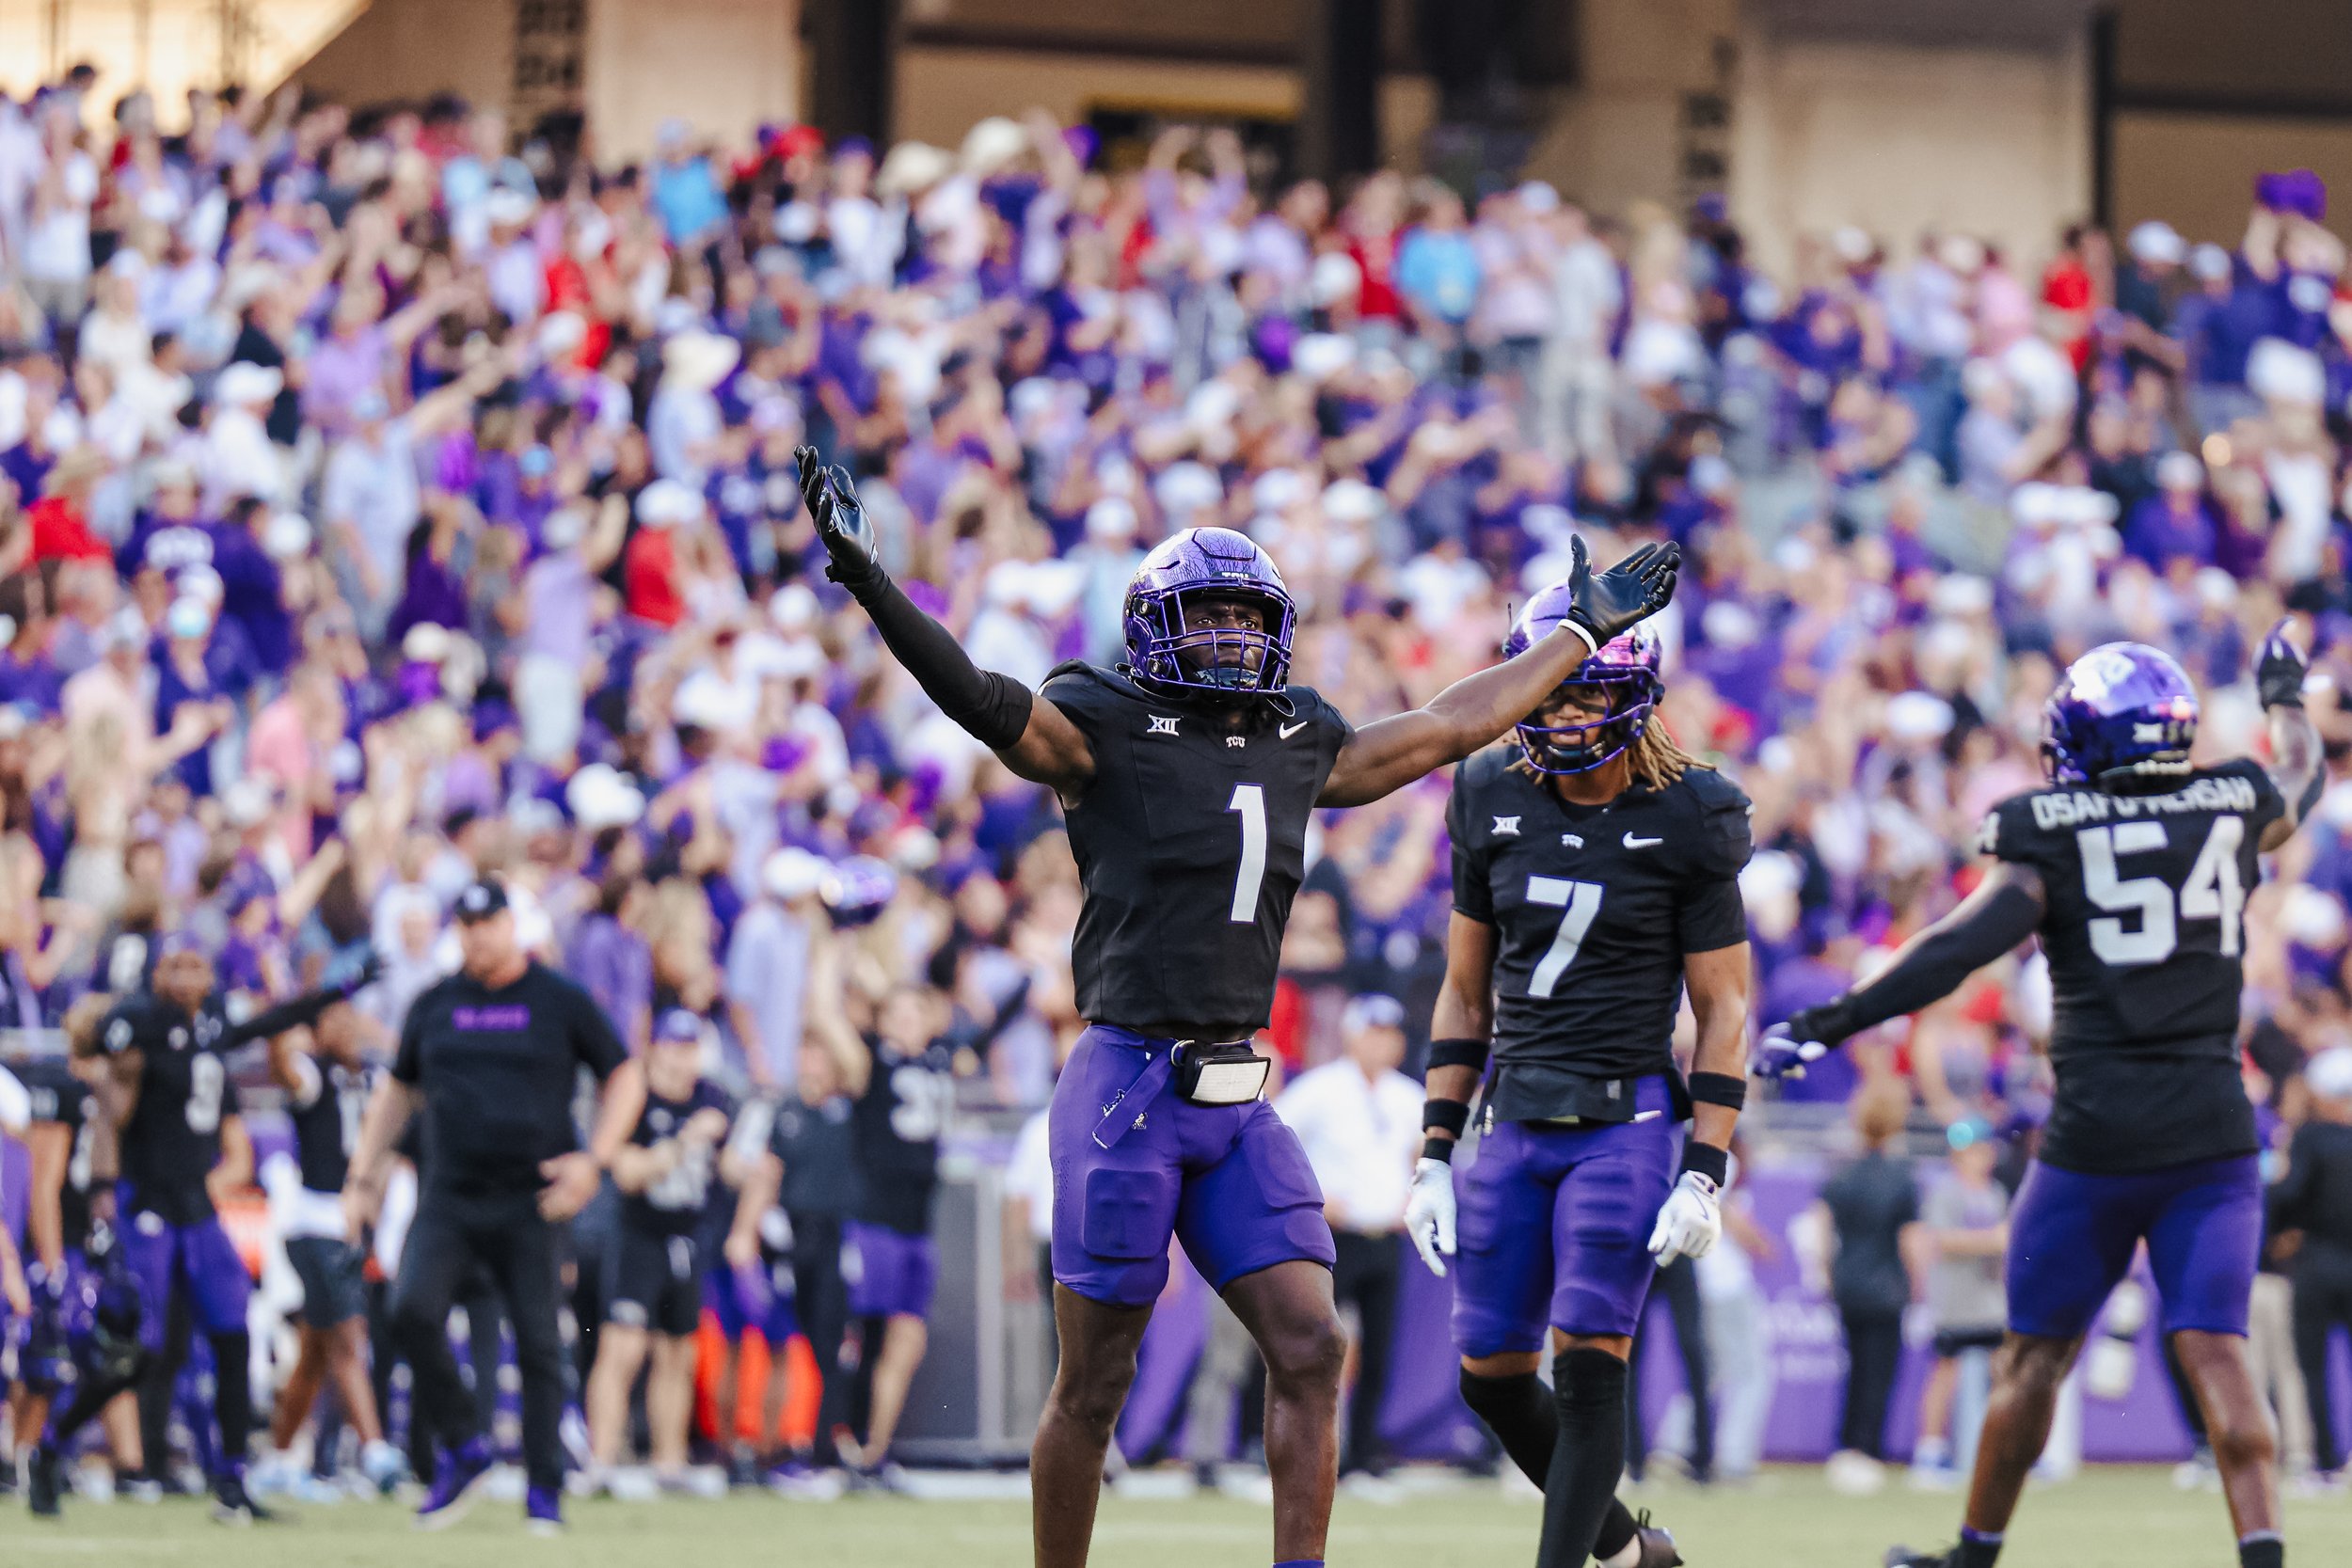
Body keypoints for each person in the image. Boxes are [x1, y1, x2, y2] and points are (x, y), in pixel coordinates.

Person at [796, 448, 1678, 1568]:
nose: (1224, 634)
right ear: (1154, 625)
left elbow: (1451, 724)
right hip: (1124, 1086)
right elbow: (981, 701)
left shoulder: (1296, 733)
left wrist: (1574, 637)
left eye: (1239, 613)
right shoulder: (1101, 719)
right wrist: (874, 583)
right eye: (1202, 614)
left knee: (1311, 1347)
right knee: (1095, 1378)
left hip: (1234, 1093)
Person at [1758, 629, 2325, 1568]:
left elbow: (1955, 947)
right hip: (2208, 1134)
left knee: (2032, 1358)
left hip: (2091, 1141)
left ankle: (1975, 1554)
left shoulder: (2047, 830)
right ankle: (2262, 1555)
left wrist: (1831, 1018)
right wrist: (2282, 696)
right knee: (2218, 1351)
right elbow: (2297, 771)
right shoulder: (2232, 807)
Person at [1406, 606, 1749, 1568]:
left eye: (1585, 691)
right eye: (1548, 691)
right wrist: (1433, 1152)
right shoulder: (1485, 789)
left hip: (1626, 1116)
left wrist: (1703, 1168)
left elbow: (1724, 1008)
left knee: (1590, 1360)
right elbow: (1464, 992)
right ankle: (1635, 1554)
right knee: (1489, 1373)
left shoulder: (1692, 808)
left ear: (1633, 697)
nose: (1562, 714)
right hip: (1514, 1113)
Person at [342, 877, 645, 1536]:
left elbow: (625, 1073)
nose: (479, 934)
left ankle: (544, 1490)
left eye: (490, 921)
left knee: (538, 1343)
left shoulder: (559, 999)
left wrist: (595, 1158)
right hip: (448, 1193)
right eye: (468, 923)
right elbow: (397, 1093)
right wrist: (362, 1176)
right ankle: (466, 1445)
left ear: (512, 925)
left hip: (532, 1197)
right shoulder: (435, 1002)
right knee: (410, 1312)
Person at [27, 938, 364, 1522]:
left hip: (196, 1205)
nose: (187, 978)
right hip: (145, 1202)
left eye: (197, 967)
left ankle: (233, 1482)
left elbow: (271, 1020)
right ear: (158, 974)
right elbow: (108, 1103)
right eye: (176, 967)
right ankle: (52, 1446)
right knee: (138, 1352)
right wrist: (105, 1189)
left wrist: (341, 988)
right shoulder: (138, 1021)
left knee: (233, 1338)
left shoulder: (211, 1024)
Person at [250, 981, 405, 1498]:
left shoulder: (374, 1078)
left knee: (316, 1349)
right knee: (346, 1335)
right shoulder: (313, 1073)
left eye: (349, 1019)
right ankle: (376, 1449)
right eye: (332, 1021)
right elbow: (285, 1070)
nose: (345, 1028)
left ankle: (277, 1457)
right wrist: (279, 1024)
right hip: (311, 1222)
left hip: (349, 1224)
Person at [1272, 992, 1422, 1488]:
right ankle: (1294, 1451)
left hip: (1385, 1235)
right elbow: (1275, 1138)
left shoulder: (1406, 1096)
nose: (1382, 1043)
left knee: (1379, 1350)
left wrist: (1411, 1195)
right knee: (1313, 1345)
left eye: (1390, 1034)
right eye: (1373, 1032)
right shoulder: (1322, 1089)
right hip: (1332, 1235)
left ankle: (1362, 1457)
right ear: (1352, 1035)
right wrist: (1311, 1194)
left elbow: (1423, 1152)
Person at [587, 1007, 732, 1496]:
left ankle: (668, 1463)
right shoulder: (638, 1097)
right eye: (673, 1046)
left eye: (689, 1048)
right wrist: (684, 1141)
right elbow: (626, 1171)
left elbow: (729, 1170)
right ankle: (601, 1460)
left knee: (678, 1354)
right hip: (638, 1236)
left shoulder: (712, 1097)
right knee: (623, 1349)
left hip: (687, 1239)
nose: (681, 1059)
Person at [838, 987, 958, 1488]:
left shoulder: (939, 1059)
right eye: (898, 1011)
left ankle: (876, 1452)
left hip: (917, 1224)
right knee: (863, 1335)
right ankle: (844, 1444)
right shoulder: (870, 1062)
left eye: (917, 1011)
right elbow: (830, 1015)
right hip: (874, 1220)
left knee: (907, 1340)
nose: (909, 1020)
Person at [1812, 1076, 1921, 1493]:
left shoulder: (1842, 1175)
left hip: (1849, 1283)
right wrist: (1917, 1285)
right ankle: (1867, 1451)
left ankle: (1845, 1449)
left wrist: (1828, 1275)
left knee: (1855, 1367)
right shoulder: (1901, 1178)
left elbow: (1822, 1230)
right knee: (1880, 1372)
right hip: (1887, 1285)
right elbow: (1909, 1241)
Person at [1910, 1117, 2012, 1490]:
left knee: (2002, 1371)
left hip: (1990, 1299)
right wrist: (1992, 1240)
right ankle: (1930, 1452)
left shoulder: (1995, 1192)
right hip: (1955, 1300)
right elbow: (1943, 1240)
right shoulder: (1946, 1191)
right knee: (1946, 1372)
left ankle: (2006, 1450)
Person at [2269, 1045, 2352, 1487]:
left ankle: (2326, 1463)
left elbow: (2286, 1196)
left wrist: (2277, 1230)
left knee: (2313, 1368)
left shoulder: (2312, 1139)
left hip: (2317, 1264)